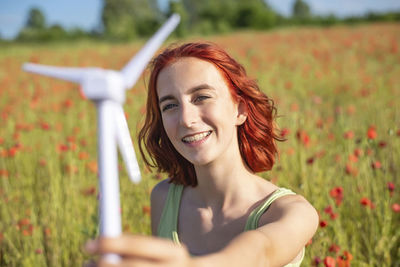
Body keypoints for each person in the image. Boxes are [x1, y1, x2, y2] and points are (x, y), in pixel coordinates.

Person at [85, 42, 319, 267]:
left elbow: (260, 253)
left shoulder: (293, 212)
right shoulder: (164, 198)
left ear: (240, 109)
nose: (186, 119)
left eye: (201, 97)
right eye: (170, 106)